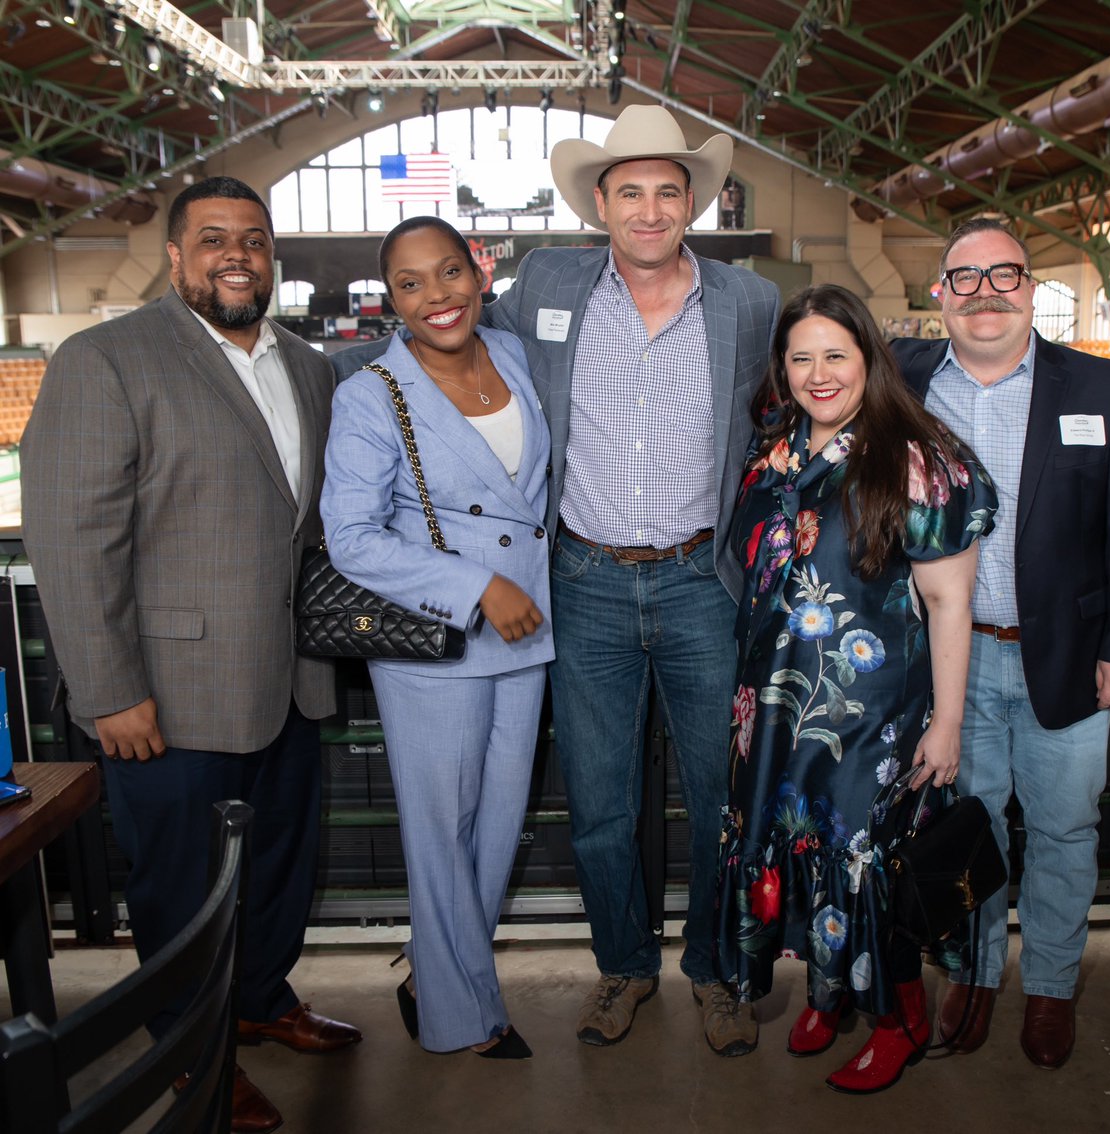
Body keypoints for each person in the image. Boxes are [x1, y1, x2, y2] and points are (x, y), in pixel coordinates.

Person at [20, 176, 360, 1134]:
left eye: (253, 238)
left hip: (290, 680)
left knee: (282, 862)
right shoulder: (108, 360)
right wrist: (111, 688)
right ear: (175, 257)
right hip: (166, 691)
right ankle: (191, 1053)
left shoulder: (308, 366)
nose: (236, 255)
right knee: (178, 885)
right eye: (213, 239)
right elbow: (72, 537)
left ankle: (258, 997)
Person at [484, 104, 780, 1056]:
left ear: (693, 201)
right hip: (585, 578)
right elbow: (457, 356)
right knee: (603, 799)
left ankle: (716, 972)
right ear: (599, 204)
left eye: (667, 191)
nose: (649, 210)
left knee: (718, 793)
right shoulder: (545, 287)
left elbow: (812, 394)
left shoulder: (748, 302)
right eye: (629, 193)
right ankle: (623, 966)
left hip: (702, 580)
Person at [892, 217, 1110, 1069]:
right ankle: (970, 976)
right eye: (964, 278)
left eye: (1003, 275)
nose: (985, 293)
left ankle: (1049, 989)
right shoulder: (898, 380)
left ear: (1032, 289)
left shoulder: (1103, 386)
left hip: (1071, 658)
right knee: (966, 830)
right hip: (950, 660)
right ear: (939, 295)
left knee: (1063, 832)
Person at [715, 283, 996, 1092]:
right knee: (794, 849)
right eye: (800, 357)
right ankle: (829, 994)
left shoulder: (917, 456)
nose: (818, 372)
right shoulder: (773, 453)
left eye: (835, 354)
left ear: (870, 358)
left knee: (869, 862)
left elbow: (948, 602)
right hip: (769, 710)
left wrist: (943, 726)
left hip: (869, 717)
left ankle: (900, 1019)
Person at [322, 216, 553, 1058]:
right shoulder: (371, 393)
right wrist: (475, 586)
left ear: (478, 272)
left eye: (449, 272)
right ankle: (465, 1013)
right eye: (412, 283)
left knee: (499, 822)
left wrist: (513, 587)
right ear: (393, 301)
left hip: (529, 627)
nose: (437, 296)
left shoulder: (522, 359)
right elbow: (350, 536)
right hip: (436, 640)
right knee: (441, 826)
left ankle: (434, 969)